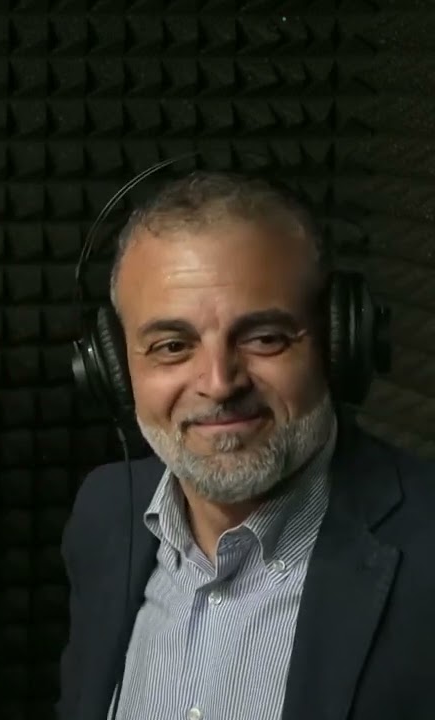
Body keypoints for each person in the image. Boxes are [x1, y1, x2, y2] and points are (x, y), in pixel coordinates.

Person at [57, 170, 435, 720]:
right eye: (172, 346)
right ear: (111, 369)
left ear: (340, 343)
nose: (219, 383)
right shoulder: (106, 513)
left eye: (264, 338)